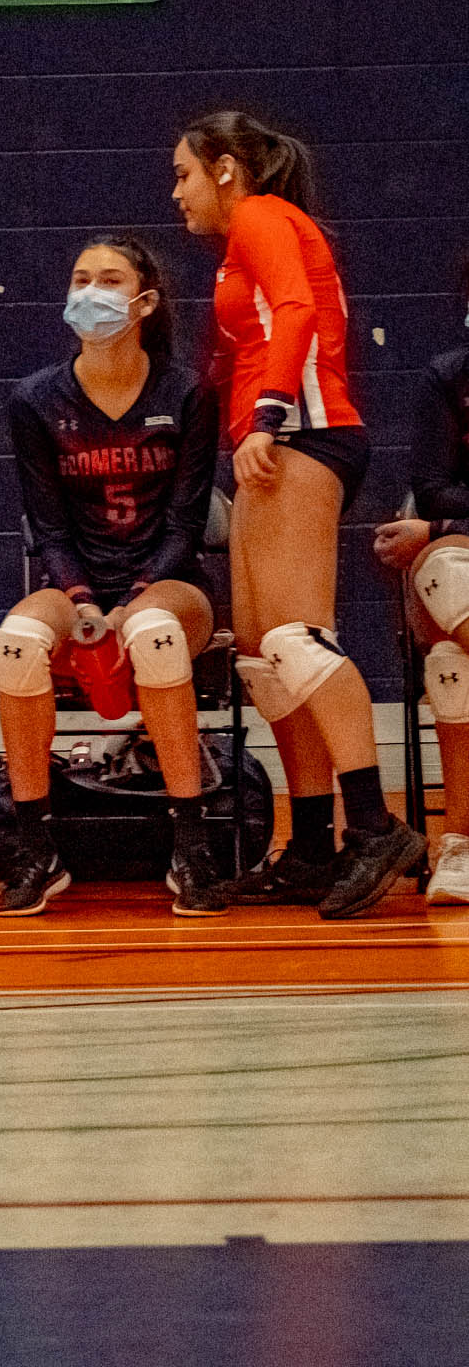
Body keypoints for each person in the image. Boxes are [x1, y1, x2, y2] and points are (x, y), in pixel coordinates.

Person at [173, 110, 426, 917]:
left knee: (294, 636)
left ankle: (374, 827)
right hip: (269, 439)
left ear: (222, 169)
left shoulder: (258, 214)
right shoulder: (233, 248)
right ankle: (312, 841)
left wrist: (272, 413)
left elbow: (295, 310)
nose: (174, 192)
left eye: (182, 173)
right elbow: (232, 352)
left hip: (304, 434)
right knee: (258, 653)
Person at [0, 235, 225, 915]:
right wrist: (85, 603)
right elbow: (50, 530)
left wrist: (130, 604)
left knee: (152, 630)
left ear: (143, 302)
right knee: (12, 644)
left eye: (109, 279)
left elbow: (184, 527)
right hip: (77, 584)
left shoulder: (186, 393)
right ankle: (35, 848)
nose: (90, 290)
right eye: (80, 278)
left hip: (170, 586)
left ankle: (190, 843)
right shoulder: (34, 400)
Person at [373, 276, 469, 905]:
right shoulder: (448, 377)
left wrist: (438, 526)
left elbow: (435, 511)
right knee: (444, 584)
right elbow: (433, 485)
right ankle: (460, 847)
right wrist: (445, 526)